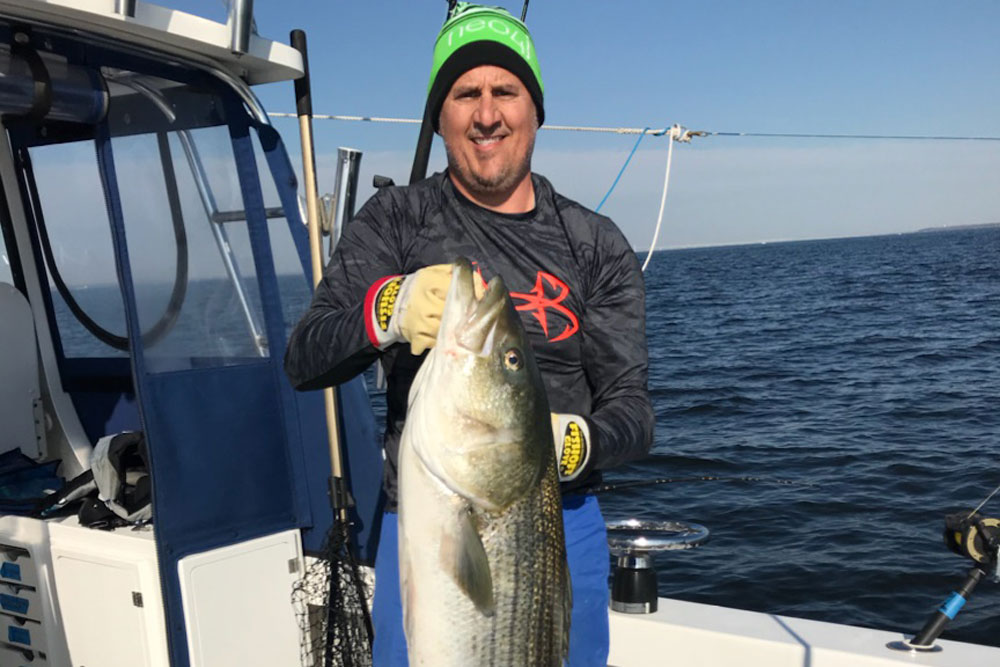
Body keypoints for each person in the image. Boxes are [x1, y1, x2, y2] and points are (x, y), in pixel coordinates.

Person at [284, 4, 653, 665]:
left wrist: (579, 442)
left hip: (565, 524)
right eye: (465, 94)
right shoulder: (396, 221)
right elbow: (304, 358)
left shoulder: (595, 245)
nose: (487, 114)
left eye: (505, 91)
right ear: (439, 116)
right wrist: (385, 310)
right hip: (425, 518)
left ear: (535, 111)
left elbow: (633, 410)